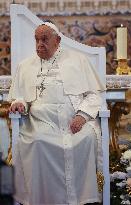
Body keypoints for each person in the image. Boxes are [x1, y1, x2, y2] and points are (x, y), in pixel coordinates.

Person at [8, 23, 105, 205]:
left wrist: (82, 116)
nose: (39, 44)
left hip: (73, 121)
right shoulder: (26, 65)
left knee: (87, 139)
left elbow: (94, 94)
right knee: (37, 142)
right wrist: (19, 104)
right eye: (36, 39)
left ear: (57, 40)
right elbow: (20, 96)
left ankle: (81, 200)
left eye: (44, 39)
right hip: (40, 122)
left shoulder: (78, 60)